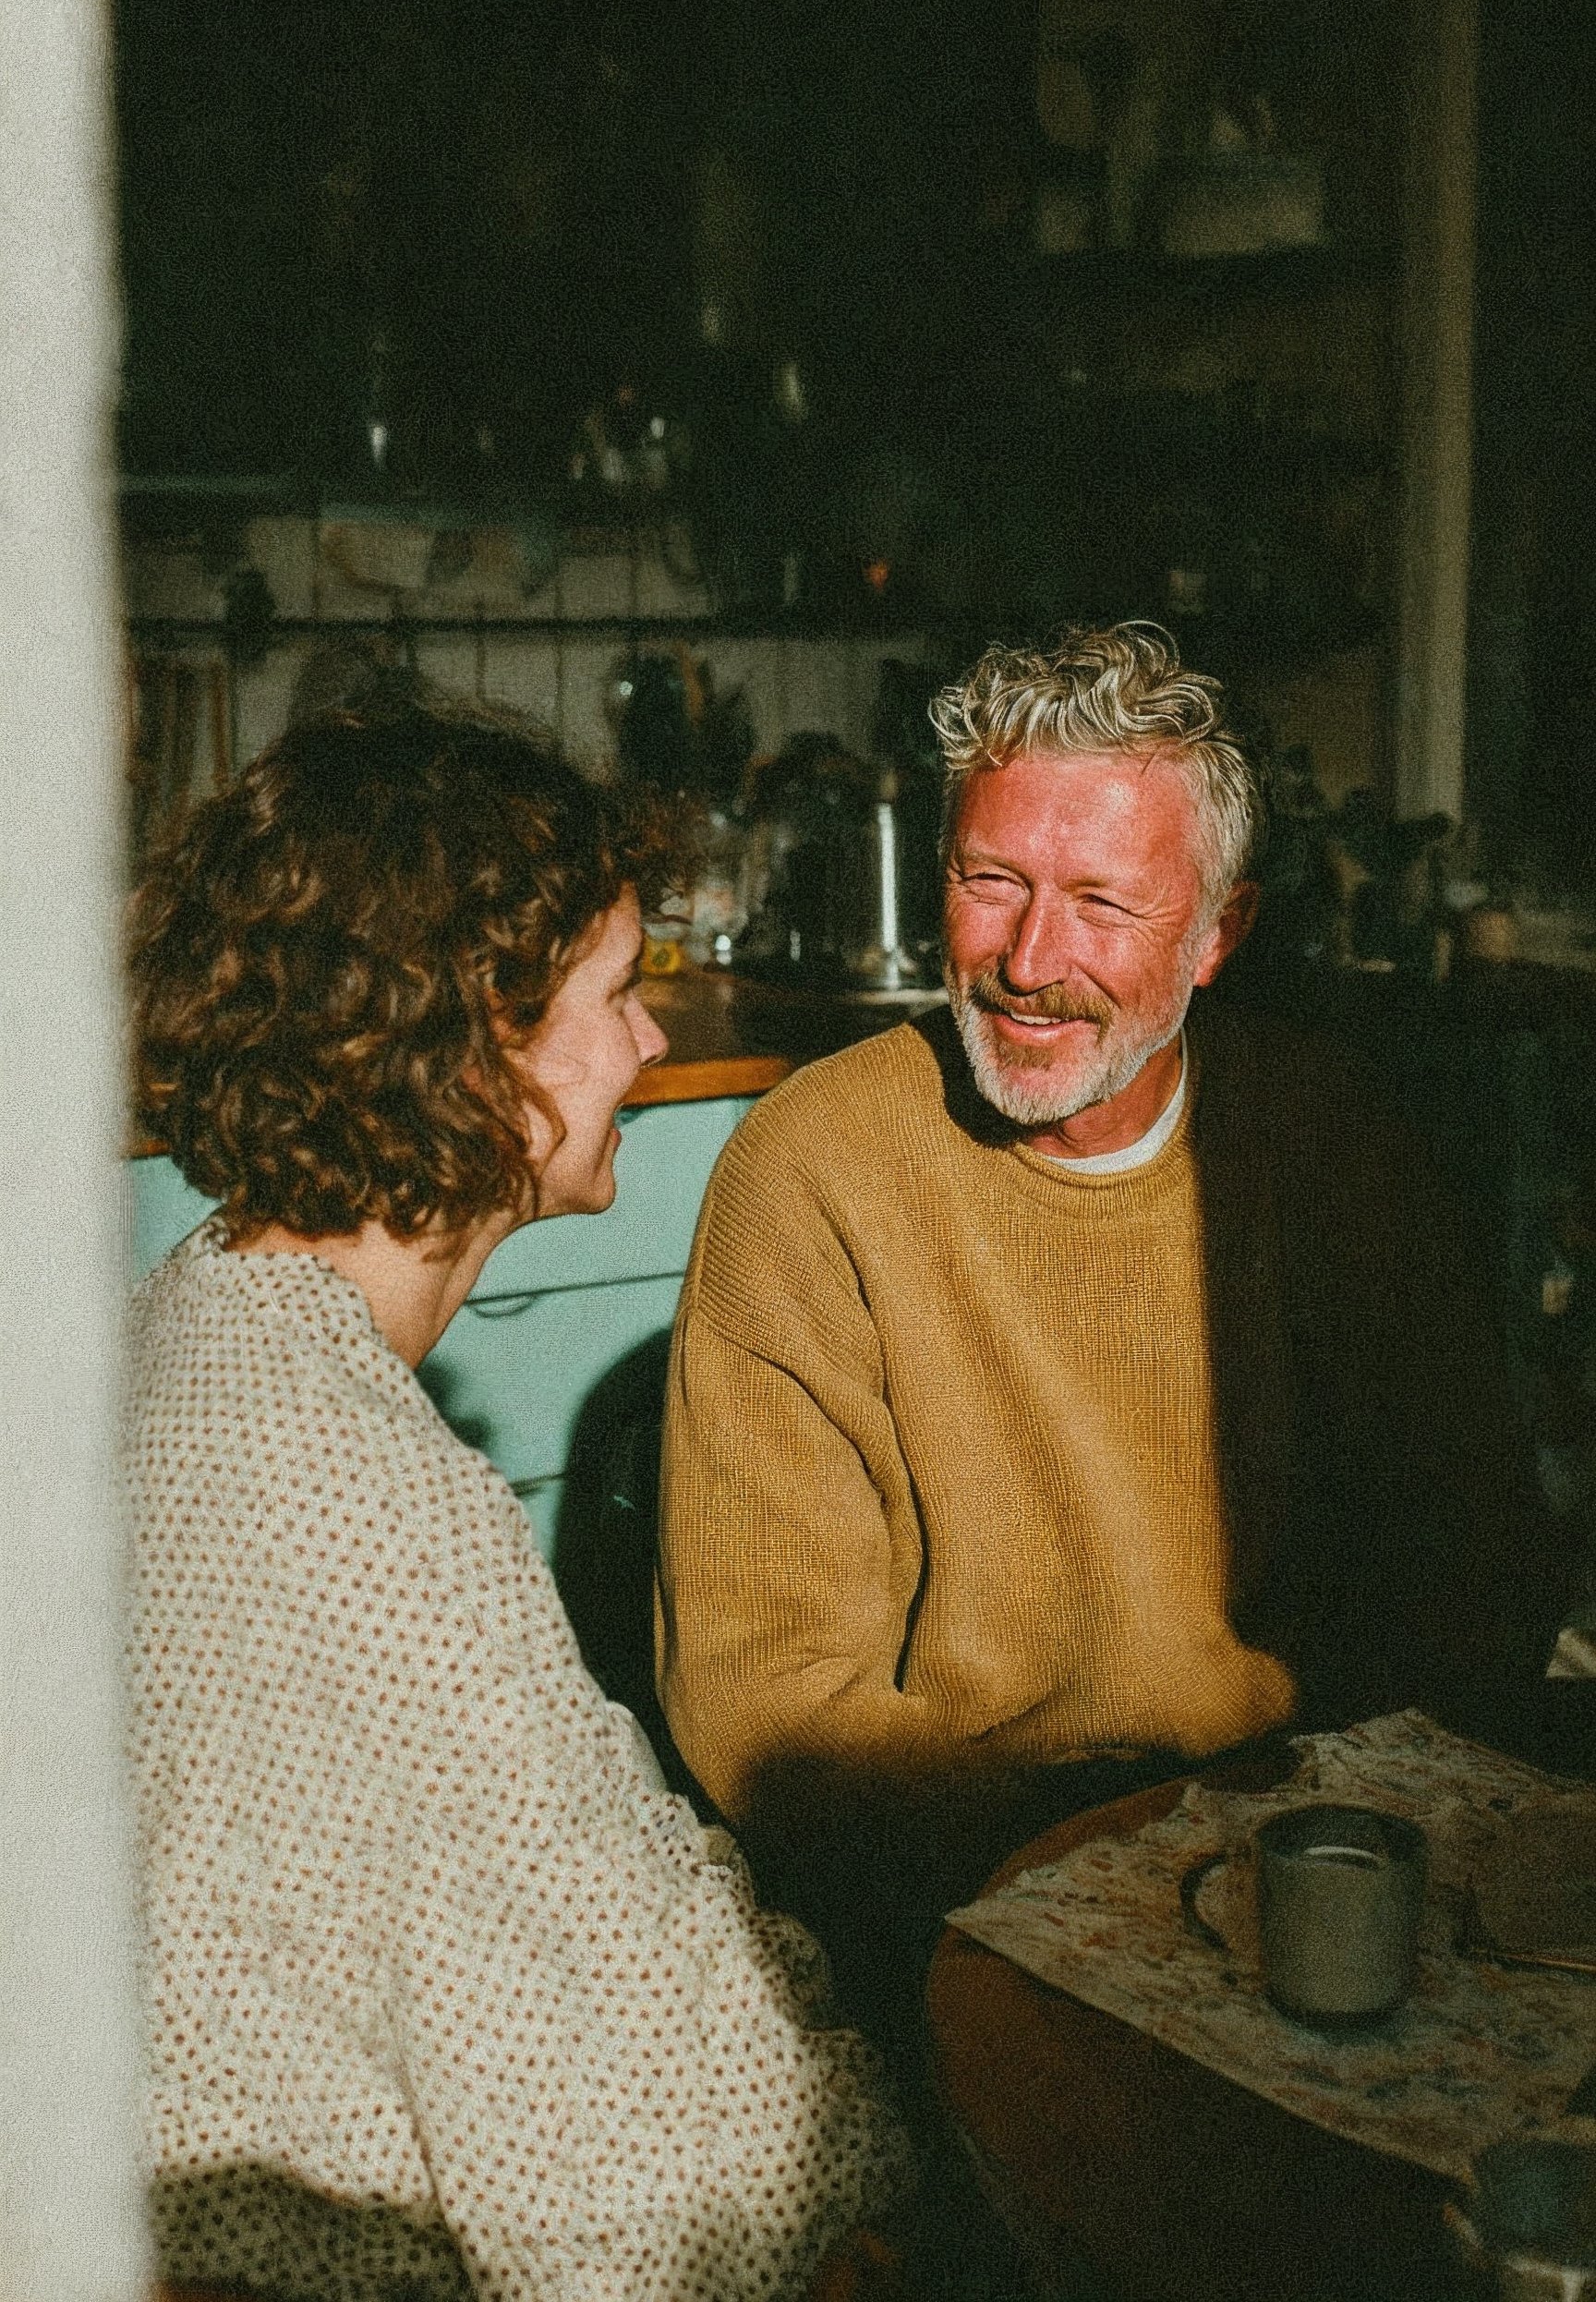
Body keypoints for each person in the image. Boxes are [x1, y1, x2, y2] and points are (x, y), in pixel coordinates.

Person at [656, 624, 1575, 2037]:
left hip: (1311, 1849)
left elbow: (1480, 1574)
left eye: (1103, 903)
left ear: (1219, 936)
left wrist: (1301, 1845)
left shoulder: (1331, 1146)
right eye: (991, 882)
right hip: (967, 1891)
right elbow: (766, 1697)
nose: (1031, 960)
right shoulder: (809, 1172)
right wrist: (1099, 1874)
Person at [125, 691, 911, 2302]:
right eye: (618, 994)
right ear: (481, 1046)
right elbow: (616, 2176)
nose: (652, 1043)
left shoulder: (192, 1310)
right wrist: (865, 2150)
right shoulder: (373, 1514)